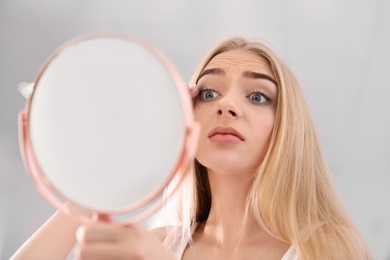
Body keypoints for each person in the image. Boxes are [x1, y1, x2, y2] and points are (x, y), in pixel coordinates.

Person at [12, 36, 372, 259]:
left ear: (287, 128)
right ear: (188, 120)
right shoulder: (158, 244)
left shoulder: (329, 247)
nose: (226, 106)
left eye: (258, 96)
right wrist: (98, 185)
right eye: (210, 93)